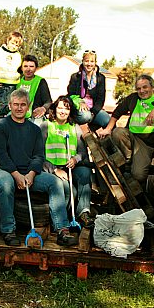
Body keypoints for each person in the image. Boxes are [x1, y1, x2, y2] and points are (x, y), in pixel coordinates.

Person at [0, 88, 78, 247]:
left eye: (22, 105)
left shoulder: (35, 130)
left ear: (28, 106)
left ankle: (62, 230)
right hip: (7, 170)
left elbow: (39, 156)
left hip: (30, 172)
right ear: (9, 105)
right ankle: (8, 231)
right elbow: (2, 156)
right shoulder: (0, 127)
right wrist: (17, 175)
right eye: (15, 104)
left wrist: (31, 174)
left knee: (55, 183)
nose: (19, 108)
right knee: (5, 184)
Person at [96, 74, 154, 187]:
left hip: (145, 144)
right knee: (117, 132)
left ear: (152, 88)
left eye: (145, 87)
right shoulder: (133, 98)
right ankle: (128, 160)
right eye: (139, 88)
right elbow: (118, 111)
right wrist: (108, 129)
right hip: (130, 136)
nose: (142, 91)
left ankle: (133, 164)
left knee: (139, 175)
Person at [40, 96, 93, 227]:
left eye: (66, 108)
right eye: (60, 107)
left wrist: (76, 159)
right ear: (54, 109)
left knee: (85, 173)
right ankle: (61, 222)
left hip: (70, 167)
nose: (63, 111)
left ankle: (83, 213)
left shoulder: (74, 127)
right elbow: (38, 154)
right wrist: (54, 169)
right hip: (52, 168)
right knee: (69, 190)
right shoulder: (46, 125)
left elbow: (82, 152)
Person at [67, 50, 110, 128]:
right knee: (86, 116)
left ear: (95, 62)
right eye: (86, 61)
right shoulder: (75, 77)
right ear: (82, 61)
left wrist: (93, 112)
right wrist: (80, 102)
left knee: (107, 120)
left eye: (92, 61)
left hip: (94, 110)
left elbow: (101, 99)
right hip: (79, 108)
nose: (89, 64)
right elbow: (71, 94)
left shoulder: (101, 78)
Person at [17, 54, 52, 125]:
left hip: (35, 115)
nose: (28, 69)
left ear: (36, 68)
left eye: (31, 66)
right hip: (17, 114)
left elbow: (48, 101)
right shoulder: (16, 81)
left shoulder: (41, 81)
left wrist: (43, 109)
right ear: (21, 68)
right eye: (25, 66)